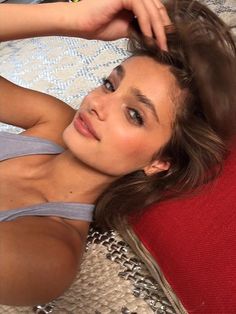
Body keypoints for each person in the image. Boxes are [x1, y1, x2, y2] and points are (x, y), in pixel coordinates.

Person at [0, 0, 235, 307]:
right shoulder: (54, 121)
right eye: (110, 85)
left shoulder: (50, 253)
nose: (97, 104)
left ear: (159, 162)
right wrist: (70, 19)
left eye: (134, 115)